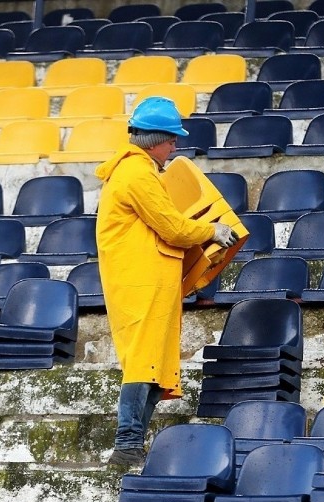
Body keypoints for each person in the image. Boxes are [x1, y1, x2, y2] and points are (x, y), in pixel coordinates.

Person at [95, 96, 238, 467]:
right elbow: (173, 227)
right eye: (172, 139)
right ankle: (126, 445)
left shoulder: (138, 171)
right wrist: (212, 230)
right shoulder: (136, 174)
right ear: (155, 139)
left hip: (149, 278)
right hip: (140, 280)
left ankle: (132, 443)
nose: (175, 146)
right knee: (144, 362)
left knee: (153, 364)